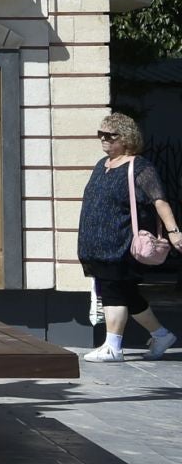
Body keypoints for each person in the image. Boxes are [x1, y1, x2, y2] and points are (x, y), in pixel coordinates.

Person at [78, 112, 182, 362]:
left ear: (126, 138)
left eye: (109, 135)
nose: (103, 139)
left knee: (113, 292)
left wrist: (174, 231)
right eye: (100, 134)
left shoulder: (140, 166)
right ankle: (161, 334)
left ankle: (113, 346)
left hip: (120, 243)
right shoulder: (101, 165)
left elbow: (159, 200)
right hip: (97, 244)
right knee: (126, 293)